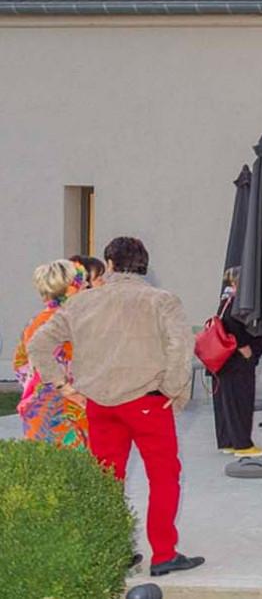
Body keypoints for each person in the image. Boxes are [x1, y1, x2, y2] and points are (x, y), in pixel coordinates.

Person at [28, 237, 203, 576]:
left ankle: (113, 550)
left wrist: (64, 387)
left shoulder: (82, 304)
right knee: (164, 477)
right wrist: (174, 391)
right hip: (149, 402)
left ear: (108, 264)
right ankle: (164, 553)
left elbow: (38, 345)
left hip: (100, 404)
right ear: (144, 266)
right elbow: (181, 348)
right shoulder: (162, 300)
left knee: (108, 480)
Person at [13, 259, 90, 450]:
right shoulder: (72, 322)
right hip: (73, 406)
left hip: (37, 409)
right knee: (78, 471)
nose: (87, 286)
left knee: (47, 470)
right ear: (72, 288)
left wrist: (37, 387)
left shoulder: (34, 323)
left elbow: (20, 365)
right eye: (83, 283)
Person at [214, 267, 262, 456]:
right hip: (236, 362)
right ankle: (243, 445)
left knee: (227, 402)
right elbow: (231, 325)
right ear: (235, 283)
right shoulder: (235, 303)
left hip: (225, 362)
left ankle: (228, 440)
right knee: (240, 401)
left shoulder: (226, 300)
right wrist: (246, 350)